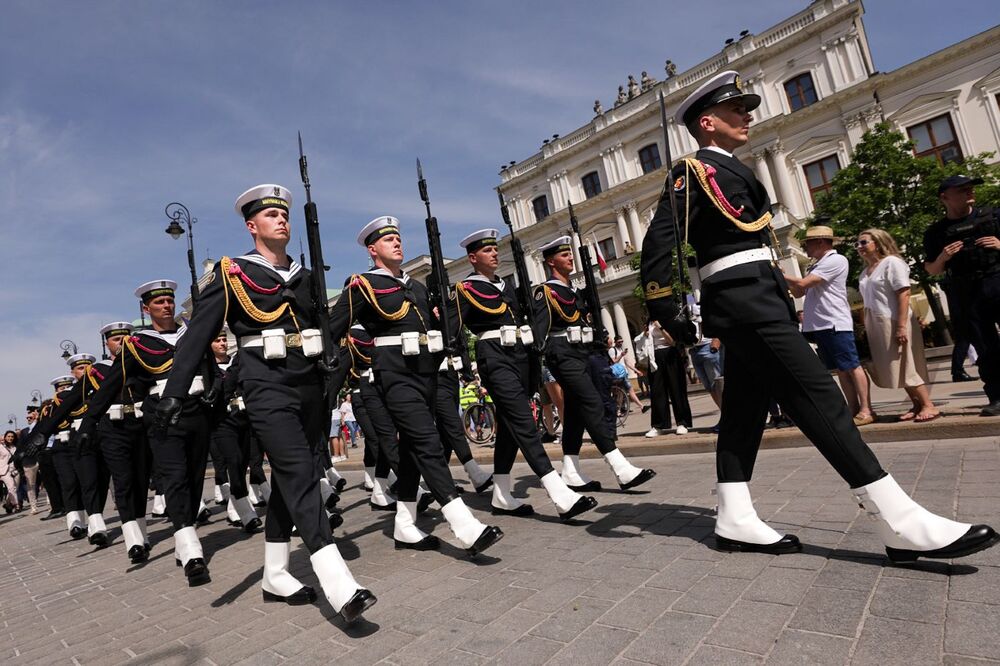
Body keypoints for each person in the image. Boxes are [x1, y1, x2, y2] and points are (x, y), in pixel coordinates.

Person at [640, 69, 997, 562]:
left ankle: (734, 516)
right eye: (735, 108)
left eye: (747, 107)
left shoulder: (732, 168)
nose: (746, 114)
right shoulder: (693, 171)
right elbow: (661, 240)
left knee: (743, 414)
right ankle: (900, 520)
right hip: (743, 300)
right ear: (706, 122)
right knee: (819, 397)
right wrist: (666, 306)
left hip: (758, 294)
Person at [157, 185, 374, 621]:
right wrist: (175, 392)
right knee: (296, 468)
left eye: (284, 214)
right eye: (270, 214)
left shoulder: (306, 275)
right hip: (264, 381)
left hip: (309, 382)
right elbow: (199, 333)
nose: (281, 220)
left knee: (299, 474)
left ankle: (275, 574)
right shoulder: (232, 271)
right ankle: (337, 580)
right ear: (251, 225)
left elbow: (324, 326)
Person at [329, 215, 503, 556]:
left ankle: (404, 525)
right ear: (372, 249)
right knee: (426, 442)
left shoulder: (417, 286)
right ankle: (464, 524)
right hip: (394, 376)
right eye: (387, 239)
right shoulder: (363, 286)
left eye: (398, 237)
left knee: (411, 449)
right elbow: (332, 331)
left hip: (427, 374)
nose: (397, 242)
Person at [454, 228, 597, 520]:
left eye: (495, 249)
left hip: (519, 356)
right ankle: (558, 492)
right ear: (472, 257)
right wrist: (461, 365)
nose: (494, 253)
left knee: (510, 427)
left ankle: (501, 495)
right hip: (492, 356)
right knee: (523, 420)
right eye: (487, 250)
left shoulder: (507, 287)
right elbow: (451, 330)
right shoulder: (465, 289)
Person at [533, 236, 656, 491]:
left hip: (583, 352)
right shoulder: (545, 291)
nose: (569, 258)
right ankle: (621, 468)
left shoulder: (574, 290)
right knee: (591, 401)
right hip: (562, 354)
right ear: (551, 261)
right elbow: (539, 332)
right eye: (563, 254)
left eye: (570, 253)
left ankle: (570, 470)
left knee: (577, 411)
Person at [923, 175, 1000, 416]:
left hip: (996, 280)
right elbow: (931, 269)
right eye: (962, 189)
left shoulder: (994, 215)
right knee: (985, 346)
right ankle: (997, 396)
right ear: (944, 197)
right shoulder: (936, 233)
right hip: (966, 291)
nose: (969, 191)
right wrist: (943, 257)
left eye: (970, 187)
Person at [785, 225, 874, 427]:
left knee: (852, 366)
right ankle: (852, 409)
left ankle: (866, 409)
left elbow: (804, 284)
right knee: (841, 370)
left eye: (807, 243)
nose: (805, 247)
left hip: (834, 321)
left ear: (820, 242)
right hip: (822, 324)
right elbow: (799, 292)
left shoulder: (835, 259)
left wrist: (780, 275)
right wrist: (784, 278)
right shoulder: (817, 265)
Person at [856, 229, 939, 422]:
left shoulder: (892, 263)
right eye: (857, 244)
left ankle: (928, 405)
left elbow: (904, 293)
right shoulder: (865, 271)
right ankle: (917, 404)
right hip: (875, 321)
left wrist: (901, 326)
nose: (859, 247)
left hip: (892, 318)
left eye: (863, 242)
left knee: (905, 363)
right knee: (895, 366)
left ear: (877, 242)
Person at [644, 321, 694, 437]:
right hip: (654, 357)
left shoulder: (670, 319)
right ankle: (658, 425)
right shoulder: (649, 321)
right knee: (657, 392)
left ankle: (682, 423)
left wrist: (660, 327)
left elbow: (673, 342)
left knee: (676, 389)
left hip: (670, 354)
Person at [17, 405, 41, 514]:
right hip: (29, 461)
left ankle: (51, 503)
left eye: (30, 417)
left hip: (41, 457)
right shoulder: (24, 431)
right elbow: (20, 446)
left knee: (48, 481)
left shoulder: (41, 426)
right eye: (27, 418)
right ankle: (33, 506)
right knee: (30, 484)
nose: (28, 419)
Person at [1, 431, 20, 513]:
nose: (10, 438)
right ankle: (16, 505)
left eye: (12, 436)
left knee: (13, 489)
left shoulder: (15, 447)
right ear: (5, 437)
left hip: (15, 470)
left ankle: (8, 504)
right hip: (3, 470)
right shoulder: (1, 447)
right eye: (8, 436)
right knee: (12, 487)